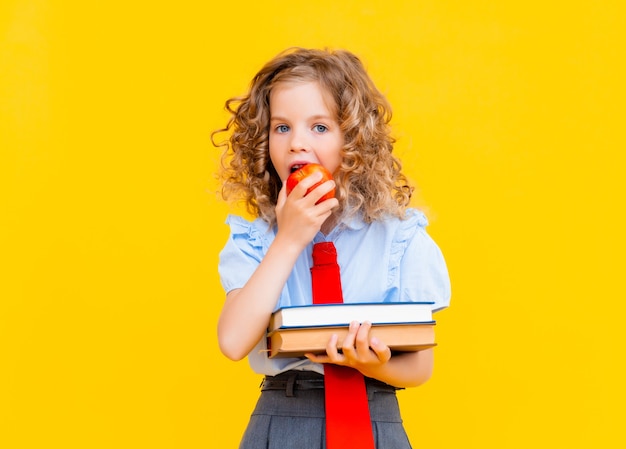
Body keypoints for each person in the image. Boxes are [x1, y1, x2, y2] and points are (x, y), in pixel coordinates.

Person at [212, 47, 451, 448]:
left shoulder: (399, 238)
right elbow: (233, 342)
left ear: (353, 140)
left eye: (319, 128)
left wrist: (372, 362)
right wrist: (289, 239)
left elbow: (420, 368)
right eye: (281, 127)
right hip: (284, 418)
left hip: (374, 417)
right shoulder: (256, 240)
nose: (297, 144)